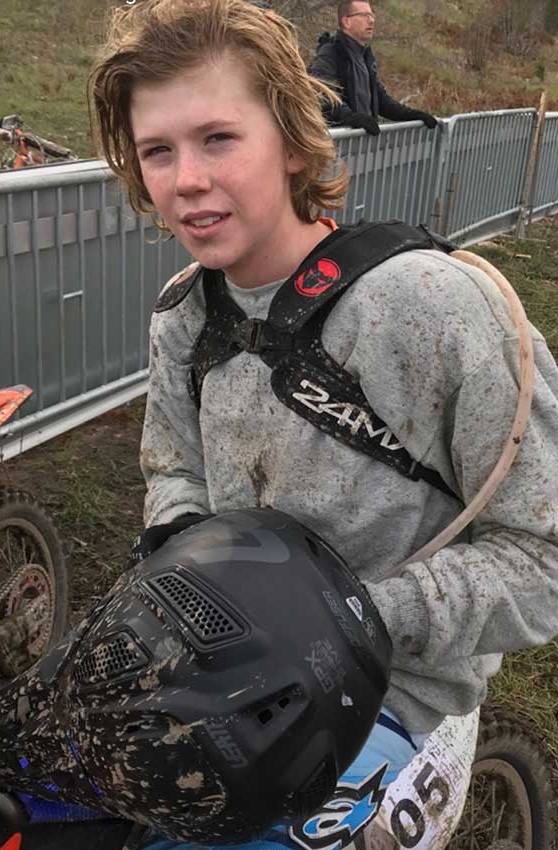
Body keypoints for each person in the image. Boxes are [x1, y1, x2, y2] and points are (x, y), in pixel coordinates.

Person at [88, 0, 558, 847]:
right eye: (158, 150)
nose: (185, 179)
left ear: (295, 143)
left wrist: (351, 619)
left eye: (218, 139)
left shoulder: (431, 308)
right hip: (224, 685)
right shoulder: (185, 318)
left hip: (401, 699)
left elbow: (544, 553)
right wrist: (185, 564)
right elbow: (175, 470)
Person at [309, 0, 438, 134]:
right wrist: (351, 117)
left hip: (362, 143)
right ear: (347, 21)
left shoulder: (365, 56)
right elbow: (322, 93)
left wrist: (413, 115)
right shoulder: (331, 53)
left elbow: (380, 100)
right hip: (337, 142)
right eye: (364, 15)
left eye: (371, 15)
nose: (371, 20)